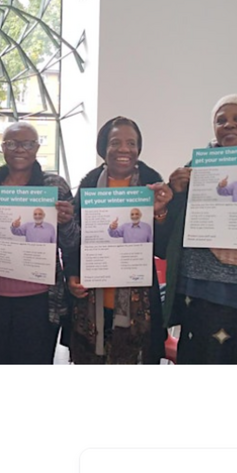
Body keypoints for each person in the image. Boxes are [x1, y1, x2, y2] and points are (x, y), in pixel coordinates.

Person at [160, 94, 237, 364]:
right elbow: (173, 230)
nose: (229, 125)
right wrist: (175, 191)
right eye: (221, 120)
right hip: (198, 289)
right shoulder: (196, 167)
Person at [63, 116, 171, 365]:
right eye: (116, 142)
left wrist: (162, 212)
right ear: (103, 148)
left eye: (131, 143)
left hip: (138, 306)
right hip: (92, 302)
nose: (124, 149)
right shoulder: (89, 185)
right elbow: (75, 241)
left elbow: (164, 249)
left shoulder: (152, 185)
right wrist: (72, 275)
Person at [0, 121, 74, 365]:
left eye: (27, 143)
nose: (19, 149)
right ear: (3, 148)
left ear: (36, 147)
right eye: (12, 143)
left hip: (40, 298)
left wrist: (66, 222)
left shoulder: (54, 187)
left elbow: (71, 243)